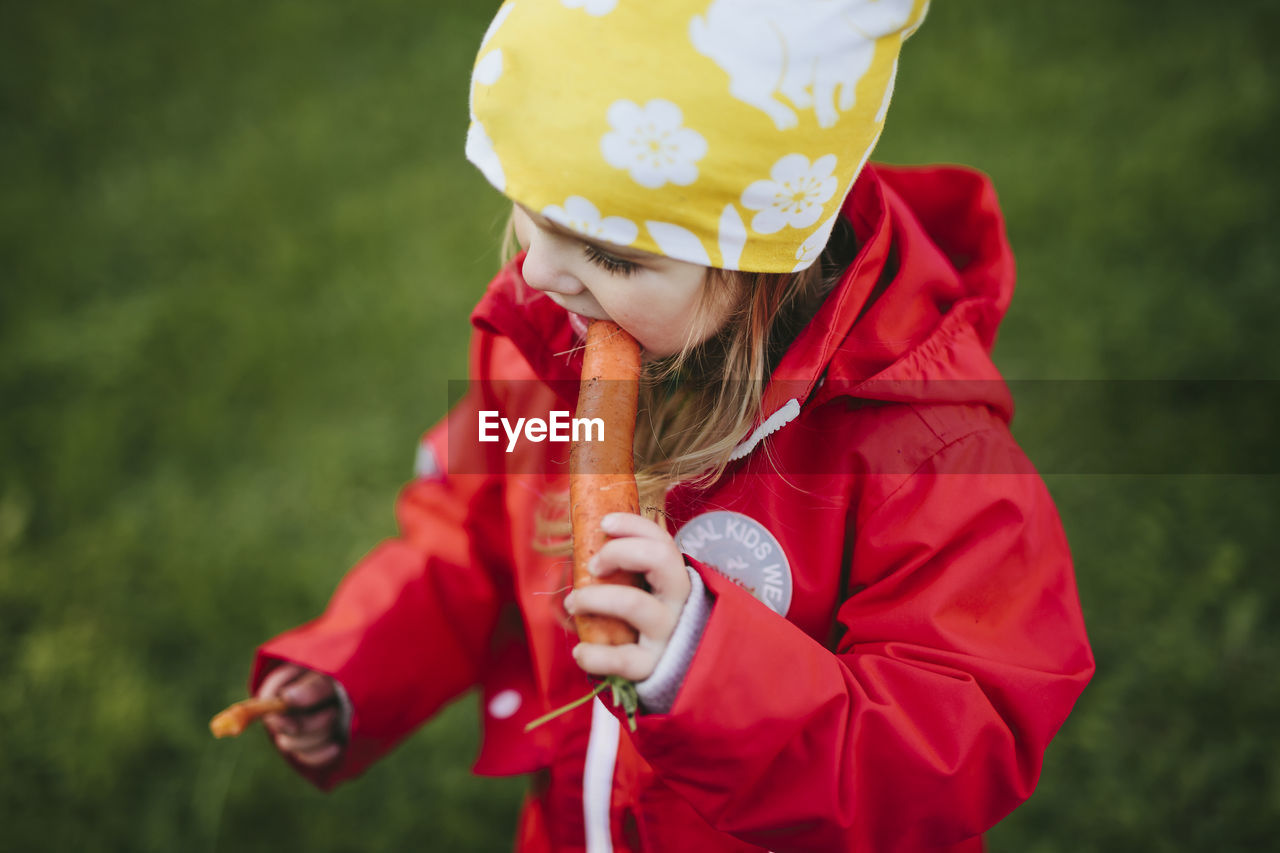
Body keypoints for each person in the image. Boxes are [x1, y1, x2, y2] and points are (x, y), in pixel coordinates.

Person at [247, 2, 1094, 850]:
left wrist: (702, 661)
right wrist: (360, 659)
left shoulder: (929, 462)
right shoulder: (534, 361)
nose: (539, 273)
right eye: (530, 211)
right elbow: (466, 538)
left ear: (765, 264)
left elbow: (957, 744)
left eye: (610, 255)